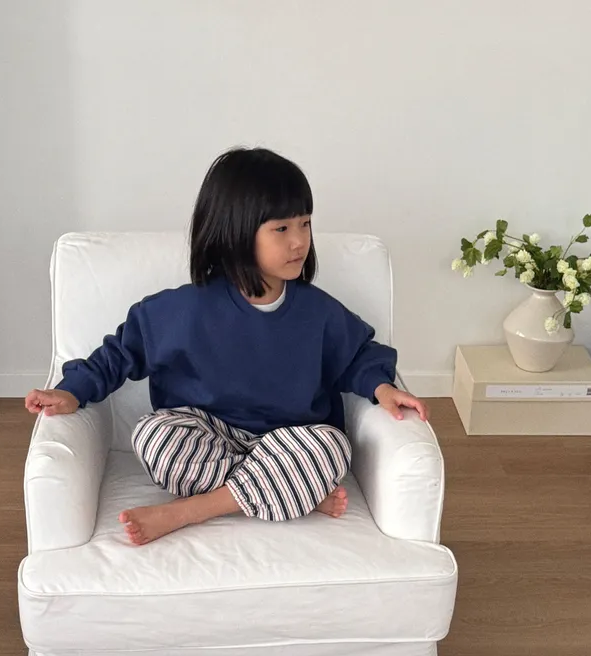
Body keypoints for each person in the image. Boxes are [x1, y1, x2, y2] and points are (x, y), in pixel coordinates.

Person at [24, 147, 428, 546]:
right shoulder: (183, 310)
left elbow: (358, 356)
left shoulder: (318, 311)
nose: (299, 242)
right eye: (281, 229)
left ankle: (189, 511)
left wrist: (382, 388)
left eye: (305, 224)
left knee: (332, 447)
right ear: (236, 233)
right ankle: (289, 492)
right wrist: (73, 391)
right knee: (152, 436)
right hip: (209, 434)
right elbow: (120, 353)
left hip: (294, 439)